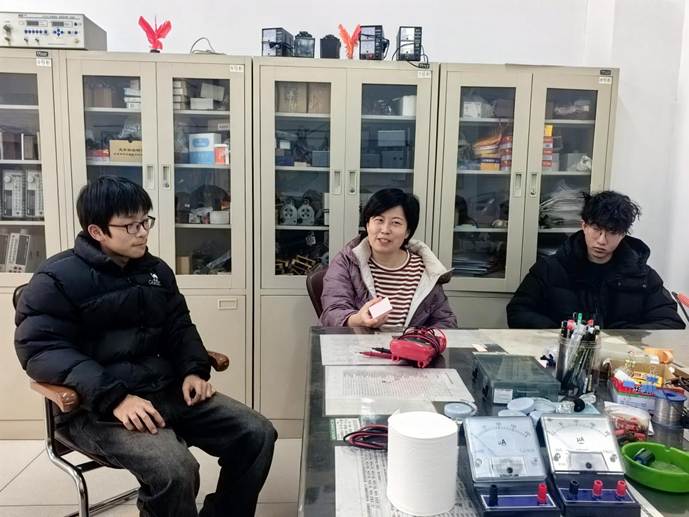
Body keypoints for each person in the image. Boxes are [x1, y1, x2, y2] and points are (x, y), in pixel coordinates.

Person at [14, 176, 277, 517]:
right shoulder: (55, 279)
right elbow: (40, 349)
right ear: (97, 231)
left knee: (257, 433)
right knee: (175, 469)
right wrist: (115, 398)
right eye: (130, 225)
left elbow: (179, 326)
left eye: (145, 221)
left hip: (164, 391)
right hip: (96, 410)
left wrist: (194, 370)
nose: (142, 233)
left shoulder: (156, 271)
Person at [507, 190, 685, 329]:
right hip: (561, 354)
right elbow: (518, 311)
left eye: (612, 232)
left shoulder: (642, 276)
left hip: (622, 360)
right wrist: (562, 333)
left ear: (623, 234)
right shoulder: (550, 268)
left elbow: (670, 322)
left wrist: (622, 339)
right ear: (584, 226)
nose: (601, 240)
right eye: (596, 229)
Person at [320, 188, 457, 328]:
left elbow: (446, 320)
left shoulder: (425, 270)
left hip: (412, 342)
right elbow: (332, 313)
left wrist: (419, 339)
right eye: (379, 220)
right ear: (367, 224)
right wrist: (358, 320)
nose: (385, 230)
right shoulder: (347, 262)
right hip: (358, 341)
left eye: (396, 223)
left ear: (407, 232)